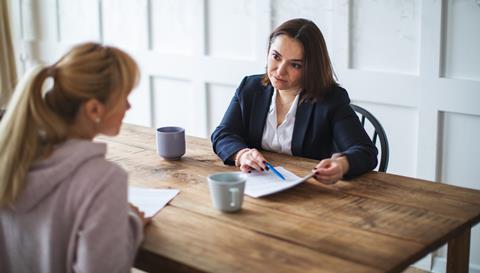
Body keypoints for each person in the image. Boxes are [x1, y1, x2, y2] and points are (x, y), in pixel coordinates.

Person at [0, 42, 148, 273]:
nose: (129, 106)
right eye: (124, 97)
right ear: (94, 110)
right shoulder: (104, 179)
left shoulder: (10, 158)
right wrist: (132, 222)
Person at [211, 18, 378, 184]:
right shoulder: (250, 88)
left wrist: (341, 165)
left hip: (312, 194)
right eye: (276, 56)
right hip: (257, 188)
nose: (280, 71)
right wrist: (242, 154)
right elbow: (223, 134)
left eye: (295, 65)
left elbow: (366, 152)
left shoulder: (331, 100)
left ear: (310, 68)